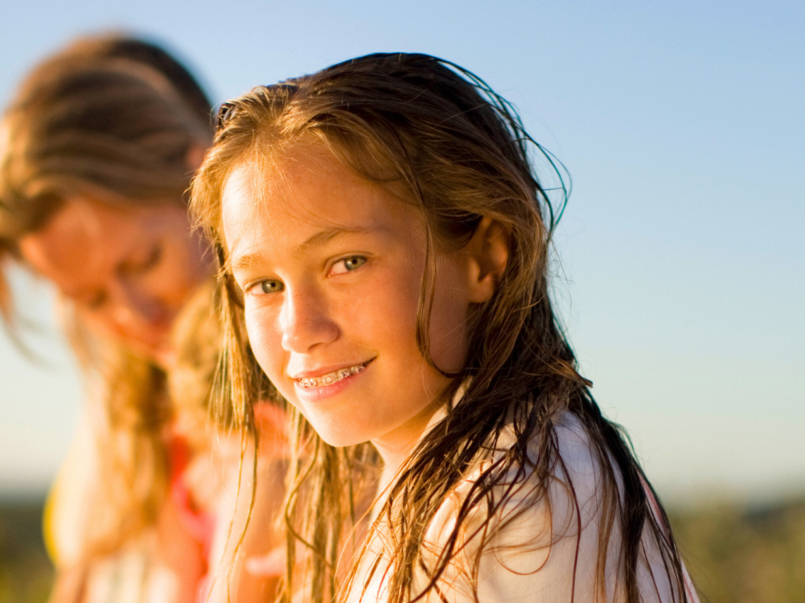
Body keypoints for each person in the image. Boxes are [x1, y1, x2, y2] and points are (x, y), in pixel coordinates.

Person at [190, 53, 701, 603]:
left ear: (484, 257)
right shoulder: (445, 485)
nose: (299, 329)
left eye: (348, 262)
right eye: (265, 285)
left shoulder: (517, 501)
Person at [0, 34, 281, 602]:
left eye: (144, 261)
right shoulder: (137, 419)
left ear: (206, 180)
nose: (136, 314)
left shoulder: (308, 379)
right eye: (91, 298)